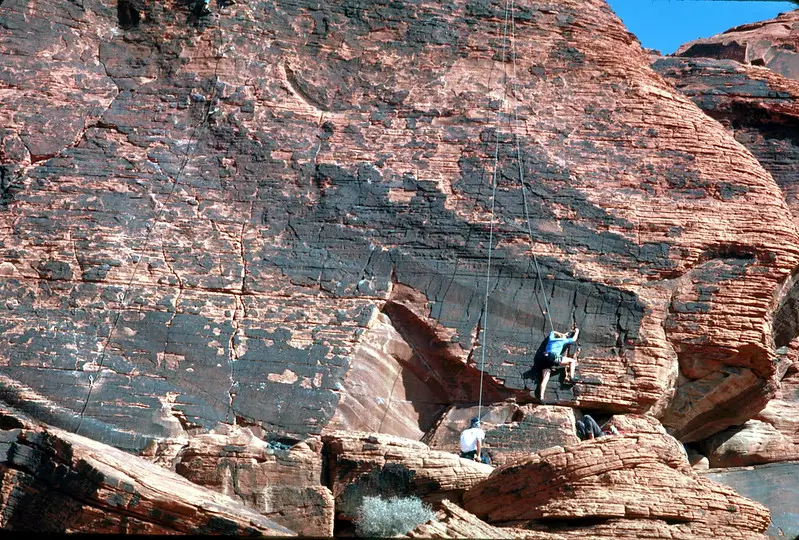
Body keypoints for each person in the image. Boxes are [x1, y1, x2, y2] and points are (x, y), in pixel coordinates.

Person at [534, 324, 580, 401]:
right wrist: (577, 332)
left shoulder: (551, 338)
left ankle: (541, 397)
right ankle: (572, 377)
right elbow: (573, 339)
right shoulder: (563, 340)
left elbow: (553, 332)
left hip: (544, 357)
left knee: (545, 379)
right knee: (572, 361)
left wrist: (563, 334)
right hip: (553, 357)